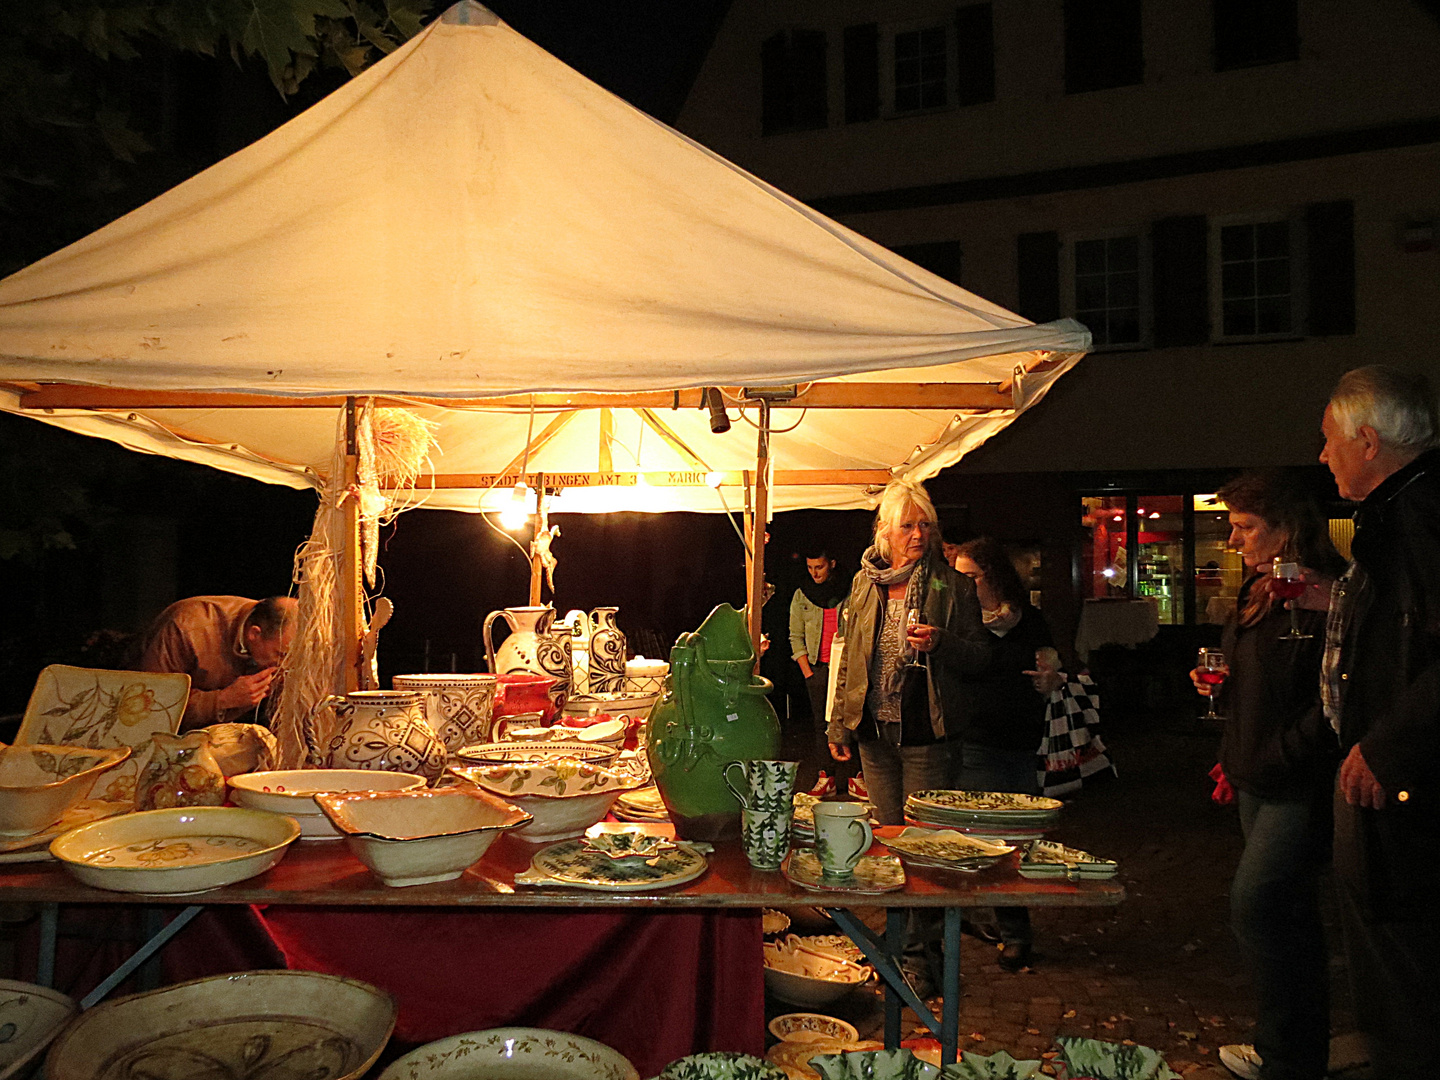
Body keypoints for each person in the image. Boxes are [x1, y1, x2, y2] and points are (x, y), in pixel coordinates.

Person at [1186, 472, 1345, 1080]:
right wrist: (1222, 702)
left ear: (1288, 530)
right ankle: (1290, 1050)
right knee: (1287, 913)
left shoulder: (1327, 596)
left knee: (1258, 902)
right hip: (1255, 773)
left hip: (1296, 780)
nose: (1233, 538)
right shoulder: (1259, 590)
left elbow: (1332, 698)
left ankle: (1289, 1055)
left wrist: (1276, 752)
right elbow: (1255, 676)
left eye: (1246, 527)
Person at [1314, 366, 1440, 1080]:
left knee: (1402, 973)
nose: (1323, 455)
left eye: (1330, 441)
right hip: (1388, 773)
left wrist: (1388, 746)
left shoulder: (1419, 514)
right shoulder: (1400, 514)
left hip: (1403, 790)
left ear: (1368, 440)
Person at [826, 480, 989, 994]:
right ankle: (898, 945)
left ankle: (924, 958)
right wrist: (839, 724)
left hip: (927, 734)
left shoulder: (952, 586)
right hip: (875, 734)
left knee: (923, 851)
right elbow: (848, 655)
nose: (918, 535)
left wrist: (942, 644)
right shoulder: (863, 585)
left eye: (925, 525)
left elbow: (981, 658)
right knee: (886, 849)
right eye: (907, 526)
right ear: (884, 533)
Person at [951, 536, 1064, 972]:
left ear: (993, 575)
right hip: (974, 738)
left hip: (1019, 738)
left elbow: (1052, 663)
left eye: (970, 577)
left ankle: (1012, 929)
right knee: (980, 837)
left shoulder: (1027, 619)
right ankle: (988, 921)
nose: (964, 587)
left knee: (1014, 840)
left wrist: (1051, 678)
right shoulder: (961, 623)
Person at [140, 595, 298, 731]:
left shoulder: (283, 634)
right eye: (281, 655)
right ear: (254, 634)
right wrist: (223, 699)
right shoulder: (187, 628)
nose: (286, 666)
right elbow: (149, 707)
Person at [789, 547, 853, 793]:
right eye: (810, 568)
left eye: (820, 567)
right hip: (817, 668)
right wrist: (808, 673)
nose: (815, 573)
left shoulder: (848, 591)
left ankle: (854, 777)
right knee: (821, 725)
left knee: (851, 720)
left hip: (844, 666)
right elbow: (795, 636)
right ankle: (826, 776)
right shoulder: (802, 595)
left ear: (832, 564)